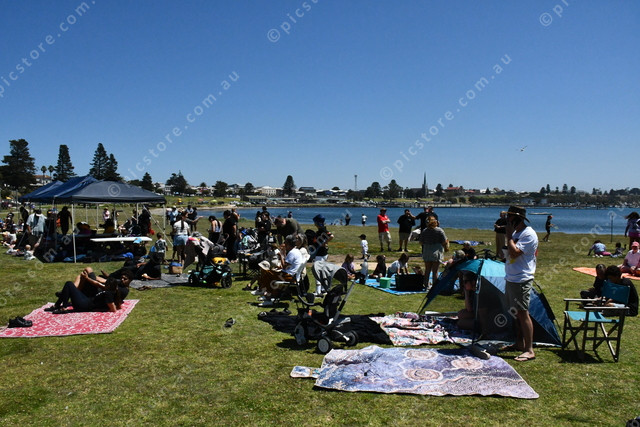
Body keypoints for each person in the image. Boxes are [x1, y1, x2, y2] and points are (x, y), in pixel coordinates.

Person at [503, 205, 538, 362]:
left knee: (523, 313)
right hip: (511, 277)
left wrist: (509, 237)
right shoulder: (516, 233)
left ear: (518, 218)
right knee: (516, 314)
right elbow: (509, 254)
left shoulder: (528, 234)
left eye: (510, 217)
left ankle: (529, 350)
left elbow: (515, 252)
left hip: (522, 278)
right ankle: (519, 343)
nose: (507, 220)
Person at [46, 270, 132, 314]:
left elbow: (113, 309)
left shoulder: (109, 294)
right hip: (86, 301)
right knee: (69, 285)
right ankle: (58, 305)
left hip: (84, 305)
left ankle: (63, 307)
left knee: (69, 284)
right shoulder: (110, 292)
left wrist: (96, 309)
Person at [255, 234, 304, 303]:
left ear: (288, 244)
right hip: (290, 275)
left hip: (287, 276)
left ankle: (266, 293)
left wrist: (280, 255)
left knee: (266, 273)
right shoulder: (296, 251)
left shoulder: (292, 253)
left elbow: (284, 266)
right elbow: (287, 265)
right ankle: (269, 294)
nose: (284, 244)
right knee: (269, 273)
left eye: (285, 242)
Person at [418, 216, 448, 288]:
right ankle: (435, 286)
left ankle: (425, 284)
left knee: (427, 270)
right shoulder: (440, 230)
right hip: (436, 252)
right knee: (435, 271)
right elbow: (444, 241)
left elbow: (421, 242)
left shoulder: (425, 230)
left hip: (427, 252)